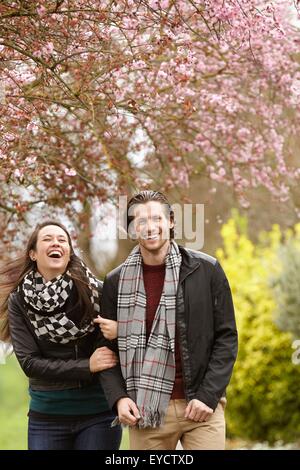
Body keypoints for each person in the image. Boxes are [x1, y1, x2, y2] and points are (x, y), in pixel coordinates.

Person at [98, 190, 238, 450]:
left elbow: (226, 338)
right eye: (140, 222)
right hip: (146, 410)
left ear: (171, 221)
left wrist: (208, 397)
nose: (149, 228)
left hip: (200, 408)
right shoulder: (115, 282)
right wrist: (118, 398)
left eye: (156, 219)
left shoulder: (206, 270)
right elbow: (106, 350)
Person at [0, 221, 122, 450]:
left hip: (98, 413)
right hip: (47, 417)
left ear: (69, 253)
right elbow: (30, 363)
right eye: (47, 239)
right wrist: (87, 366)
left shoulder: (97, 292)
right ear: (33, 254)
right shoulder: (20, 301)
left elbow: (109, 350)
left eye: (62, 239)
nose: (55, 242)